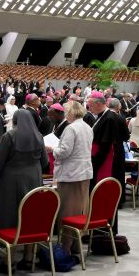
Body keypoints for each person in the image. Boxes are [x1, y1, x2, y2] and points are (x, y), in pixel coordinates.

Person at [0, 109, 48, 270]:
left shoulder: (9, 136)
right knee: (30, 218)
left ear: (14, 121)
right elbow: (45, 162)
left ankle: (8, 259)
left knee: (9, 217)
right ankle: (28, 258)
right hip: (34, 180)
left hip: (10, 183)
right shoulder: (39, 136)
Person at [49, 100, 93, 253]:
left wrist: (52, 149)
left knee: (67, 211)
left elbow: (64, 152)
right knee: (78, 210)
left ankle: (66, 246)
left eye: (67, 112)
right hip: (84, 172)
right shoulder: (87, 127)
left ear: (72, 113)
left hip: (71, 174)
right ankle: (75, 244)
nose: (65, 115)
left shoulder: (71, 128)